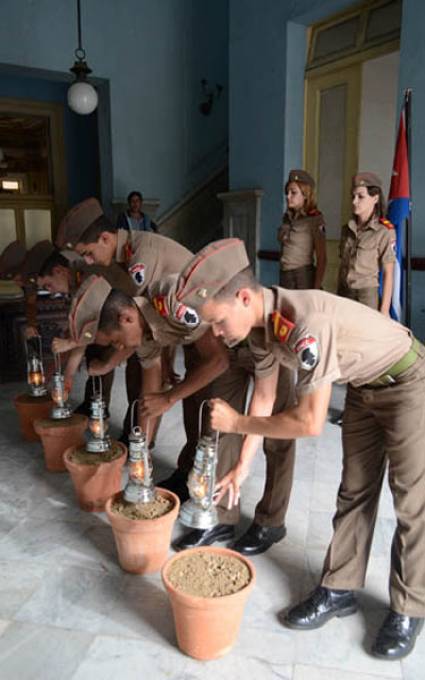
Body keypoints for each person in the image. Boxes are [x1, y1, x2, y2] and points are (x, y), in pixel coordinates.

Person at [172, 237, 425, 661]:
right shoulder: (258, 331)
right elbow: (266, 400)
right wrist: (243, 467)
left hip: (407, 381)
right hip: (363, 387)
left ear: (244, 297)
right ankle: (340, 588)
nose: (214, 333)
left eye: (217, 321)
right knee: (355, 492)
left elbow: (308, 423)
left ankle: (410, 608)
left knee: (411, 501)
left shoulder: (306, 323)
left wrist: (235, 423)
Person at [337, 172, 396, 313]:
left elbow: (388, 273)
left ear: (375, 198)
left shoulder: (384, 231)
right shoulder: (347, 229)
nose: (354, 201)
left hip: (366, 296)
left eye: (360, 197)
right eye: (353, 196)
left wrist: (385, 311)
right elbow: (342, 266)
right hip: (344, 293)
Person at [277, 169, 326, 289]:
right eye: (287, 192)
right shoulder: (287, 218)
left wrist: (316, 287)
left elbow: (322, 258)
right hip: (284, 275)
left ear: (305, 195)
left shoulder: (314, 219)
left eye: (293, 193)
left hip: (302, 276)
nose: (288, 197)